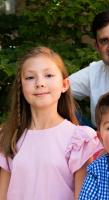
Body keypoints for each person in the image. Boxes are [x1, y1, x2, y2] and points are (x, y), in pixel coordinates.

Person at [0, 46, 102, 200]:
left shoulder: (79, 139)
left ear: (64, 85)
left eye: (48, 75)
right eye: (30, 77)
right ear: (21, 88)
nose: (40, 83)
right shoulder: (10, 136)